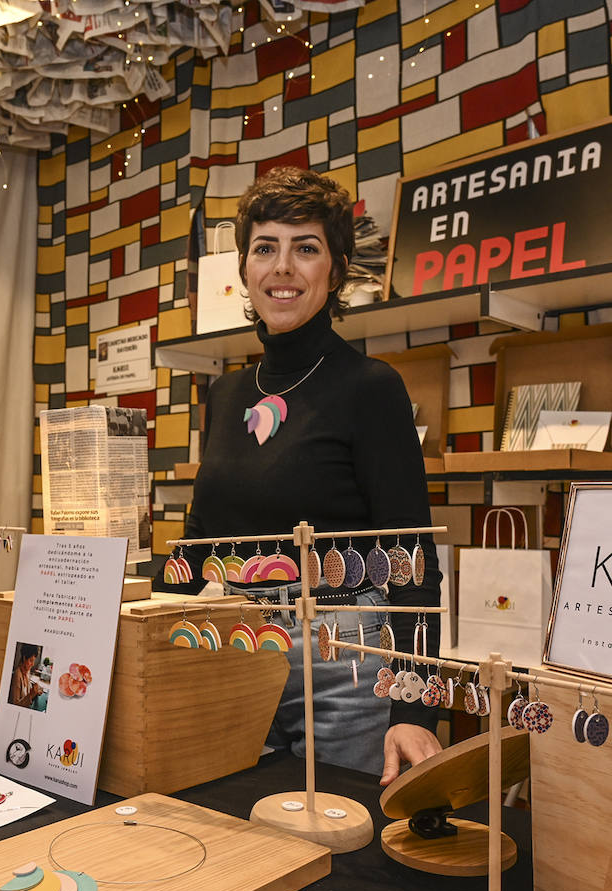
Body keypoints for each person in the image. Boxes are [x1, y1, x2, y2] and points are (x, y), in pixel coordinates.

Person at [162, 167, 443, 785]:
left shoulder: (371, 389)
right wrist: (141, 628)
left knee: (344, 846)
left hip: (345, 660)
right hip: (233, 647)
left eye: (305, 248)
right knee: (233, 823)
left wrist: (414, 704)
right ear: (244, 270)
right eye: (265, 248)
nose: (282, 268)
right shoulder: (228, 392)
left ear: (336, 270)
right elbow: (202, 535)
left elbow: (412, 557)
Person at [8, 643, 45, 709]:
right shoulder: (17, 675)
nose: (33, 664)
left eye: (34, 661)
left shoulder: (27, 671)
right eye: (31, 660)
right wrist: (31, 695)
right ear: (24, 658)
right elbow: (14, 705)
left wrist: (36, 692)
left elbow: (27, 690)